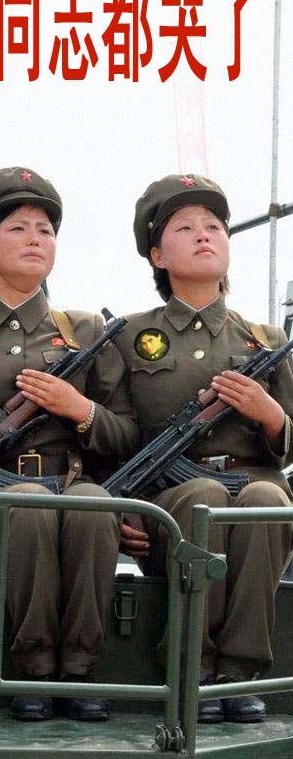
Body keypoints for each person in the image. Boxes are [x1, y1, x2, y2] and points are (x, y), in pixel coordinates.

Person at [0, 167, 136, 721]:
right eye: (18, 228)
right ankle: (34, 667)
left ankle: (80, 668)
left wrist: (80, 410)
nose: (35, 239)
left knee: (94, 507)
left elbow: (127, 434)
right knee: (29, 506)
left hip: (70, 483)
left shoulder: (87, 331)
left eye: (45, 230)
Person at [116, 173, 293, 724]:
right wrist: (121, 507)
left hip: (253, 478)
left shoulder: (264, 340)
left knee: (268, 498)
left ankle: (239, 673)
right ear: (157, 255)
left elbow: (288, 444)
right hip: (170, 495)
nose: (203, 235)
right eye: (185, 227)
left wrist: (269, 414)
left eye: (214, 226)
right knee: (205, 497)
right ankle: (192, 664)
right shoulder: (127, 336)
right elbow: (115, 432)